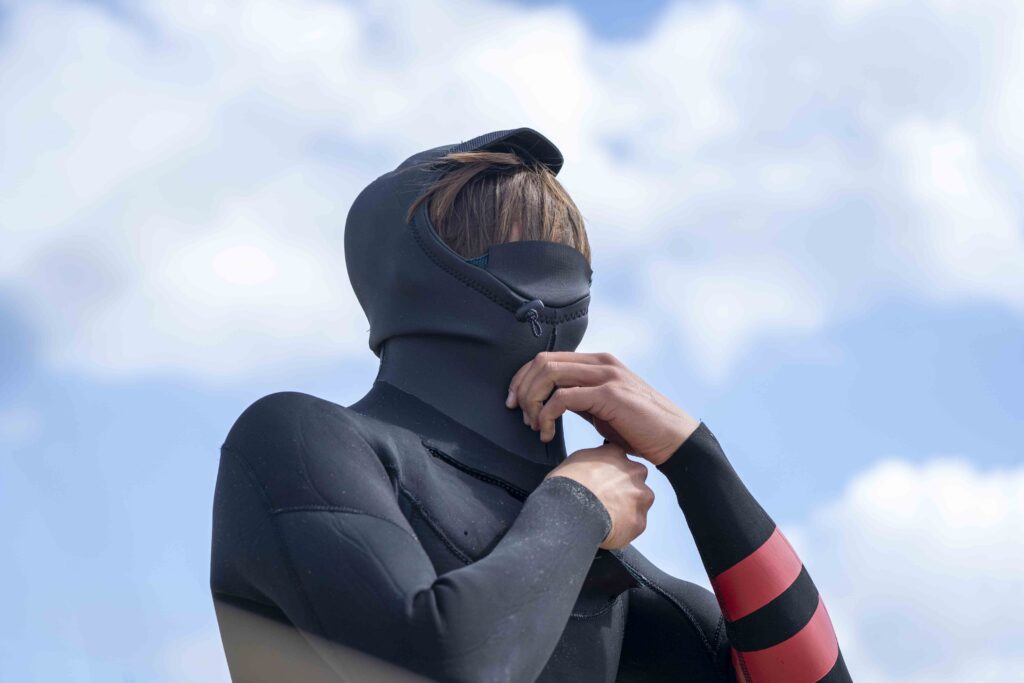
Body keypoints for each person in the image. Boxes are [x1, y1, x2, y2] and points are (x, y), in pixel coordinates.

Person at [209, 127, 853, 682]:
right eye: (501, 243)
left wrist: (695, 459)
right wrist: (578, 505)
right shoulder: (298, 441)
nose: (549, 278)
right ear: (408, 269)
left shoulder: (610, 572)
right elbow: (437, 664)